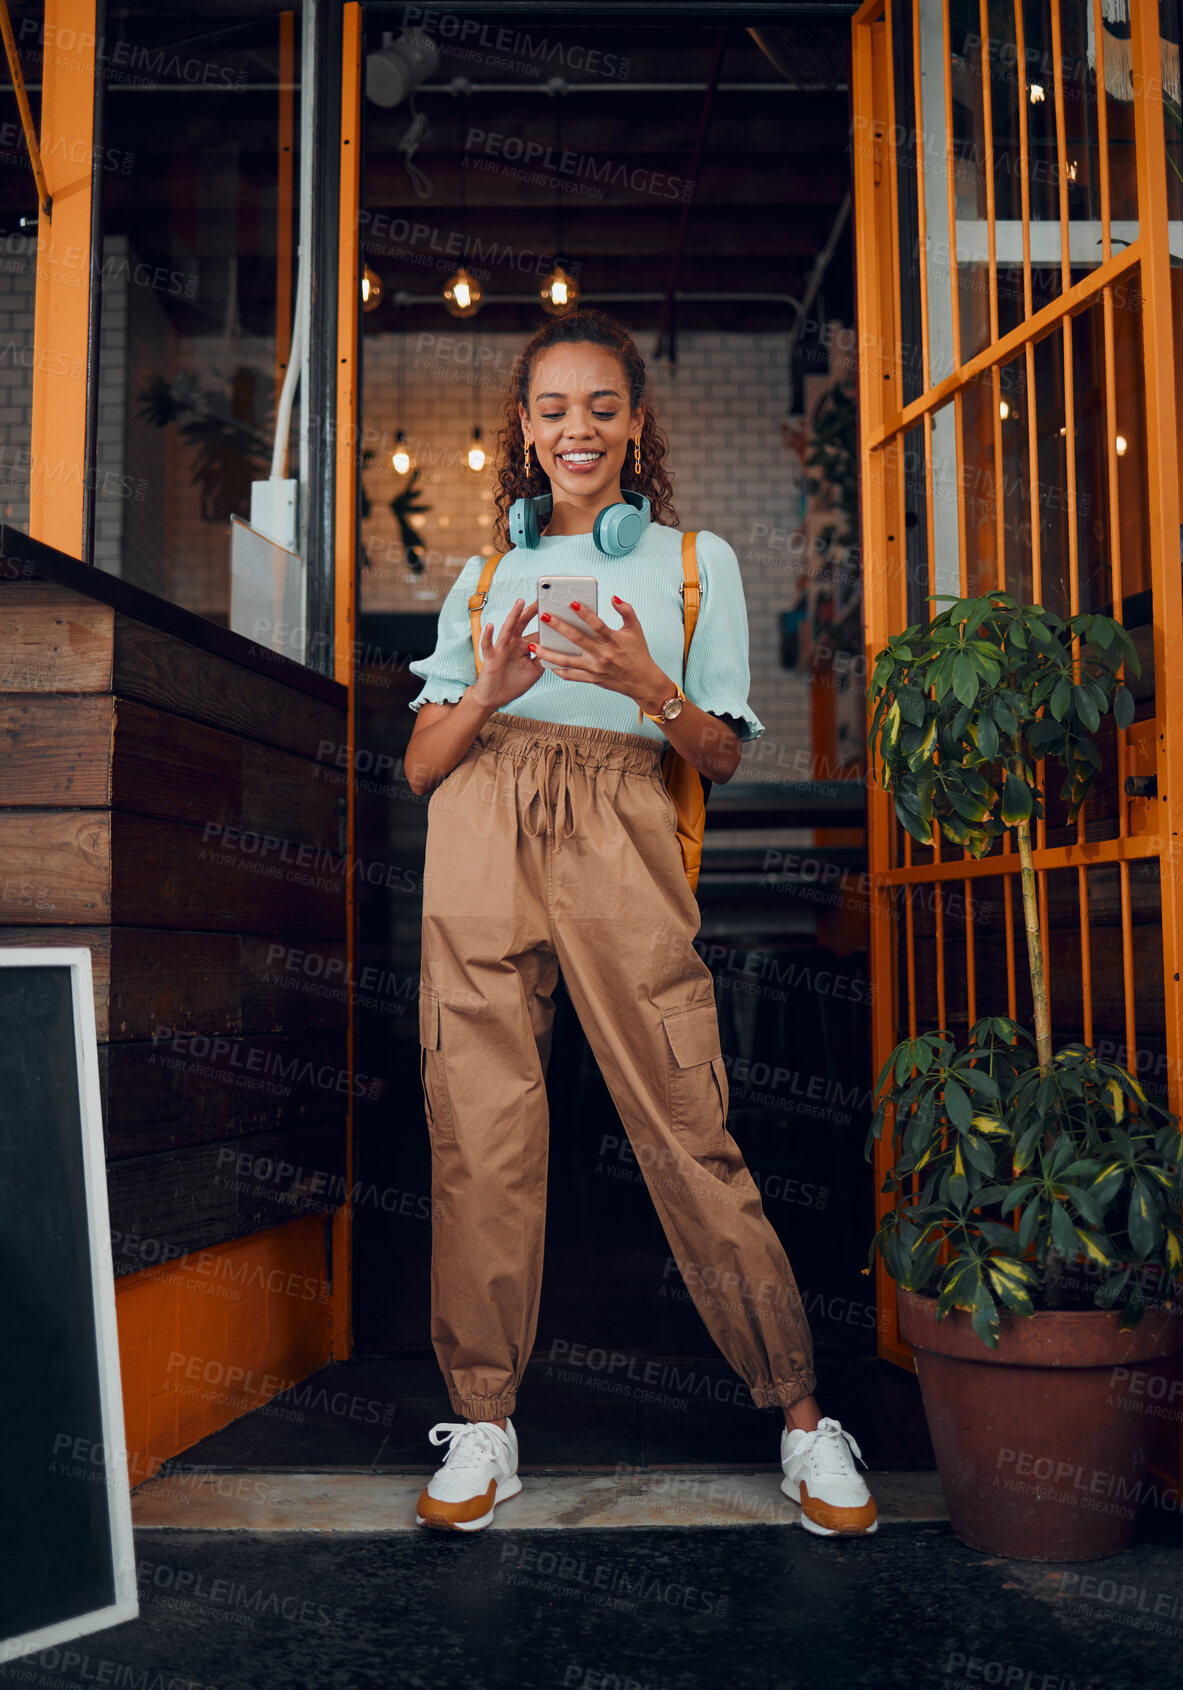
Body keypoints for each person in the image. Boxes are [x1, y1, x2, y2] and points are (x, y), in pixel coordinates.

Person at [402, 307, 877, 1539]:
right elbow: (418, 764)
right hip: (480, 823)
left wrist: (643, 685)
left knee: (684, 1121)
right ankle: (486, 1421)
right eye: (553, 409)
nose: (577, 429)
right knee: (479, 1132)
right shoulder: (484, 573)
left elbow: (716, 754)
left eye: (601, 407)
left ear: (633, 425)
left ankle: (802, 1421)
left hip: (619, 826)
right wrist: (494, 688)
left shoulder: (689, 562)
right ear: (524, 428)